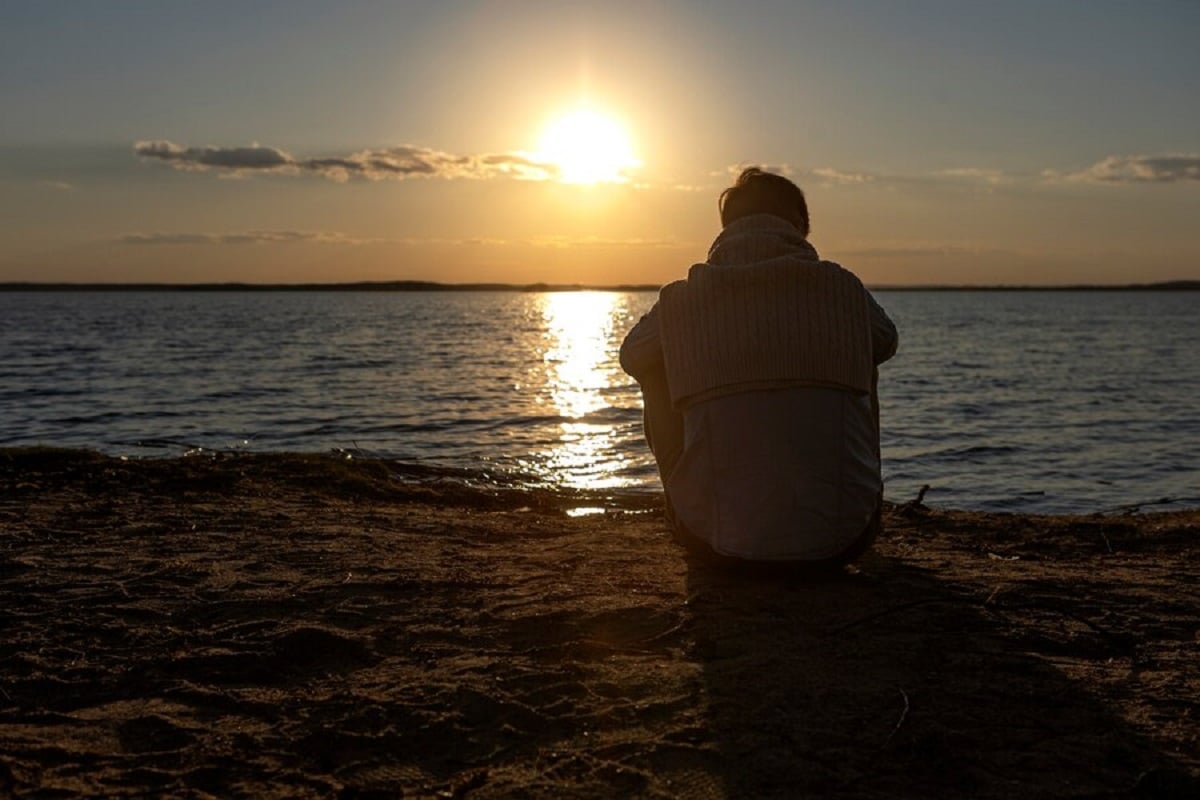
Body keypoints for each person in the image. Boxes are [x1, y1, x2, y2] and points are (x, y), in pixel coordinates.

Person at [619, 167, 898, 568]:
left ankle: (698, 503)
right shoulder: (843, 288)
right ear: (800, 226)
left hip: (714, 543)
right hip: (845, 540)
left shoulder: (683, 299)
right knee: (862, 350)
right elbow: (886, 341)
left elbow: (632, 356)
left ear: (726, 228)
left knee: (653, 366)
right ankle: (841, 500)